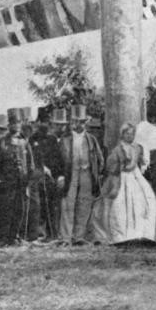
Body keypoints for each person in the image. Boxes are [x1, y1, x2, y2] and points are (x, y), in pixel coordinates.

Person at [103, 122, 156, 245]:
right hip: (123, 177)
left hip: (136, 176)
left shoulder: (137, 148)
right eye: (127, 134)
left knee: (144, 201)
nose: (130, 136)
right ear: (122, 135)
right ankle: (122, 236)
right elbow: (110, 165)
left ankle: (140, 234)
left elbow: (143, 163)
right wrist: (120, 165)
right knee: (121, 203)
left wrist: (142, 159)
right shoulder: (118, 149)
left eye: (132, 134)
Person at [58, 105, 105, 246]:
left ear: (85, 123)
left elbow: (99, 158)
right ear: (72, 122)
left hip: (87, 173)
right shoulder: (65, 139)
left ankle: (79, 236)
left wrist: (97, 174)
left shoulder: (91, 139)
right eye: (75, 121)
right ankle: (65, 237)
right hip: (70, 173)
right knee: (68, 203)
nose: (78, 124)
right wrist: (60, 175)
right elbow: (58, 159)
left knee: (84, 204)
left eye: (82, 121)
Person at [0, 108, 33, 246]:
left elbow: (30, 164)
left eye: (18, 123)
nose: (15, 126)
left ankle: (15, 236)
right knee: (6, 210)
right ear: (8, 125)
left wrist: (28, 182)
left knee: (19, 210)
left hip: (21, 182)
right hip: (6, 183)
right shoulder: (2, 143)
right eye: (12, 123)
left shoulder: (25, 142)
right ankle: (4, 238)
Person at [29, 108, 65, 241]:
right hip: (38, 176)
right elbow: (31, 157)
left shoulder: (52, 139)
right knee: (39, 206)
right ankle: (39, 233)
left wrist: (59, 175)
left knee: (51, 206)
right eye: (42, 122)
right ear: (37, 123)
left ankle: (52, 234)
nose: (44, 125)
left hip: (51, 178)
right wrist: (41, 167)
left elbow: (59, 159)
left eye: (47, 122)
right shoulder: (32, 139)